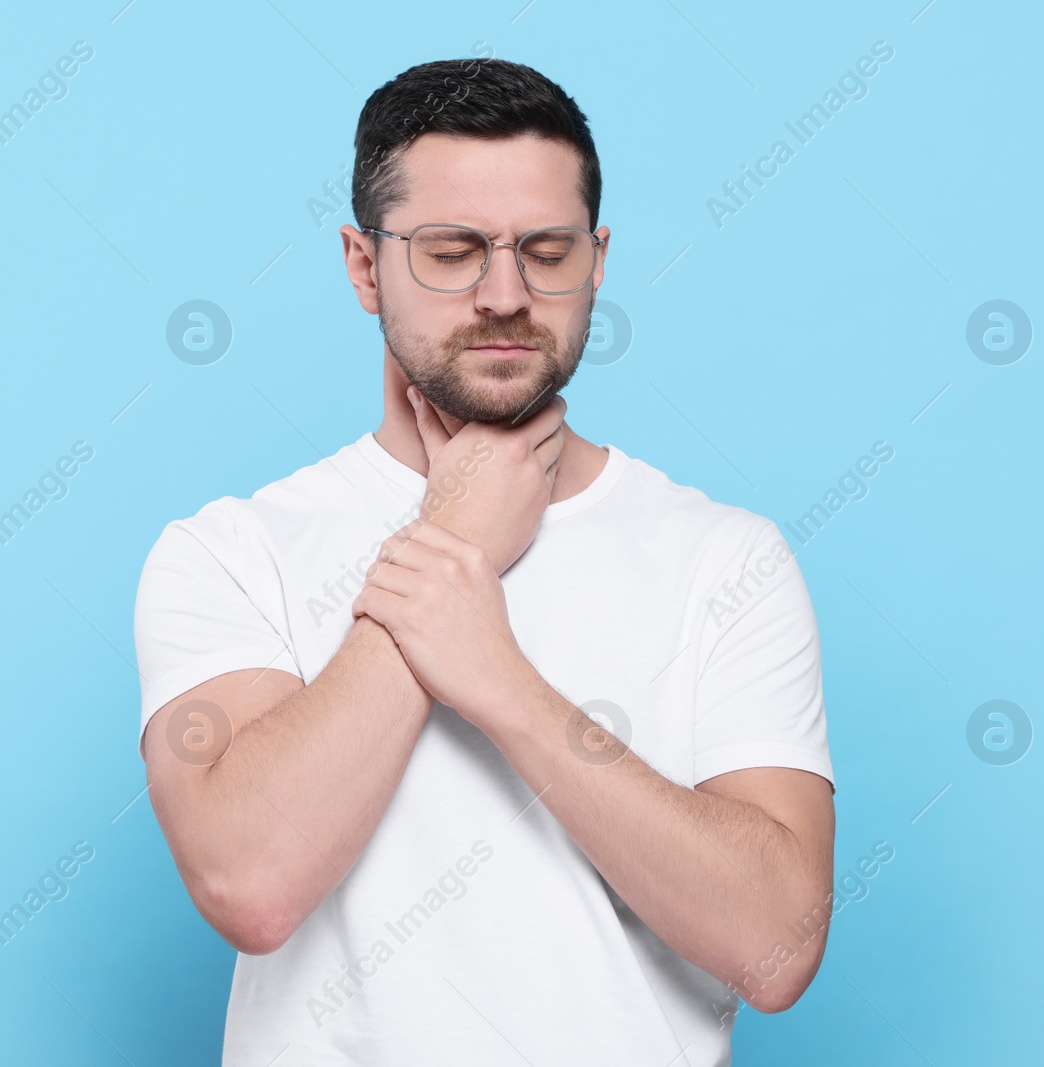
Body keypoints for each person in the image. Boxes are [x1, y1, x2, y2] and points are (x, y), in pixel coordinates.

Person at [133, 56, 835, 1067]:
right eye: (453, 252)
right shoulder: (230, 552)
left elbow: (775, 949)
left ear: (596, 261)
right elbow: (250, 879)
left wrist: (497, 676)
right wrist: (454, 539)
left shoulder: (725, 558)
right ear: (363, 265)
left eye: (545, 252)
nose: (505, 295)